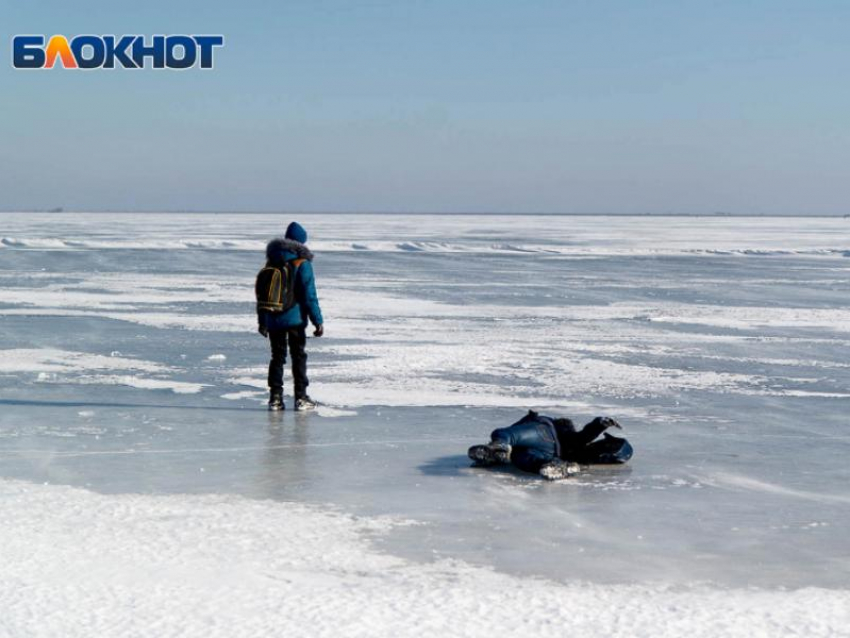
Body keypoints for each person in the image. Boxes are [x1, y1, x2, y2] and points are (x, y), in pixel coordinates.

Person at [257, 221, 324, 411]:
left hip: (273, 318)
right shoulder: (302, 263)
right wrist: (317, 321)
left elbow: (263, 294)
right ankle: (301, 397)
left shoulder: (272, 261)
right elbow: (309, 295)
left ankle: (275, 399)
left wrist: (262, 321)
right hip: (295, 319)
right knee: (298, 357)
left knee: (277, 357)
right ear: (302, 242)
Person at [468, 410, 633, 480]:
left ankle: (499, 446)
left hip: (543, 435)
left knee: (506, 435)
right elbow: (584, 437)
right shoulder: (580, 452)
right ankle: (548, 466)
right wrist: (600, 424)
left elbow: (583, 436)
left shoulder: (552, 427)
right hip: (547, 454)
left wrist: (600, 423)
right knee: (525, 459)